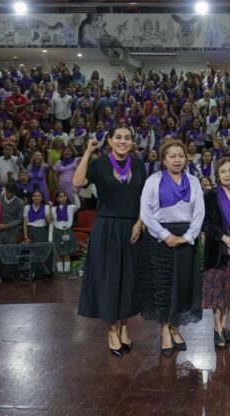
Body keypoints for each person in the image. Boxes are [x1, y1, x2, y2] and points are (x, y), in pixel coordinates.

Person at [75, 128, 146, 357]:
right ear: (109, 141)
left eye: (127, 138)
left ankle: (124, 326)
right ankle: (112, 330)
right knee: (110, 280)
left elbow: (144, 198)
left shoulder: (138, 165)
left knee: (129, 279)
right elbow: (78, 182)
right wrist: (87, 152)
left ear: (132, 142)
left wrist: (140, 222)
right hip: (107, 228)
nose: (123, 141)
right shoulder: (99, 164)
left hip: (132, 227)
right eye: (118, 137)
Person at [136, 139, 205, 356]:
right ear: (163, 160)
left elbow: (199, 213)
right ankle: (165, 329)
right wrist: (166, 235)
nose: (177, 159)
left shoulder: (193, 182)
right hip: (159, 239)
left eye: (181, 156)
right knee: (163, 285)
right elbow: (146, 213)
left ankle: (176, 328)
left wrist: (187, 236)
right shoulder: (153, 181)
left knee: (182, 286)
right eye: (172, 156)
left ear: (186, 159)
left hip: (186, 240)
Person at [201, 157, 230, 349]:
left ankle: (225, 326)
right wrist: (226, 239)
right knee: (217, 293)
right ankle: (217, 328)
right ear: (217, 176)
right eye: (223, 172)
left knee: (229, 292)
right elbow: (206, 224)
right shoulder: (210, 196)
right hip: (217, 250)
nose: (227, 174)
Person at [0, 182, 25, 264]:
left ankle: (9, 275)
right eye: (8, 192)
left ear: (15, 192)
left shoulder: (20, 203)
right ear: (5, 190)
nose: (9, 195)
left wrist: (6, 226)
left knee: (10, 257)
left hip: (11, 234)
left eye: (12, 193)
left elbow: (19, 220)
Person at [50, 190, 80, 272]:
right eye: (60, 196)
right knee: (58, 254)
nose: (63, 198)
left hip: (67, 232)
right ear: (57, 199)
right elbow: (51, 222)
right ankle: (60, 272)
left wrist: (74, 194)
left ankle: (66, 272)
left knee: (66, 254)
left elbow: (78, 205)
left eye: (64, 196)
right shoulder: (53, 209)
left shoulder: (71, 207)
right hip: (57, 233)